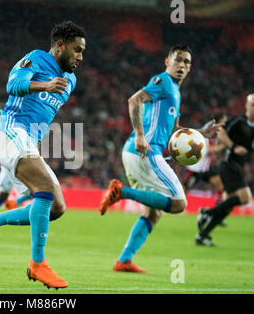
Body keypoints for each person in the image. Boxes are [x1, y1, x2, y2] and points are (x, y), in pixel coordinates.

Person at [0, 21, 86, 289]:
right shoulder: (37, 59)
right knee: (44, 188)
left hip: (28, 142)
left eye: (83, 51)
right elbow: (14, 84)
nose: (80, 57)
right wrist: (43, 85)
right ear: (59, 46)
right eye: (76, 50)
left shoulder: (71, 80)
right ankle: (37, 264)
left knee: (56, 207)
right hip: (8, 131)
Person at [99, 44, 222, 273]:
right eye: (178, 60)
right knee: (179, 204)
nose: (182, 65)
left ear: (190, 68)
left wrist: (201, 134)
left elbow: (174, 130)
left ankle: (123, 260)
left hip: (136, 153)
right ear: (168, 62)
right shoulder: (163, 82)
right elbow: (134, 100)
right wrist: (139, 135)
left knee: (153, 213)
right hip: (145, 152)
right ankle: (121, 192)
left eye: (186, 62)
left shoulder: (175, 91)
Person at [196, 93, 254, 246]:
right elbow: (220, 132)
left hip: (238, 167)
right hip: (229, 165)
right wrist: (234, 147)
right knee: (245, 197)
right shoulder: (238, 122)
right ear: (247, 106)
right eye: (253, 104)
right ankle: (206, 213)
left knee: (227, 206)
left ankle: (203, 235)